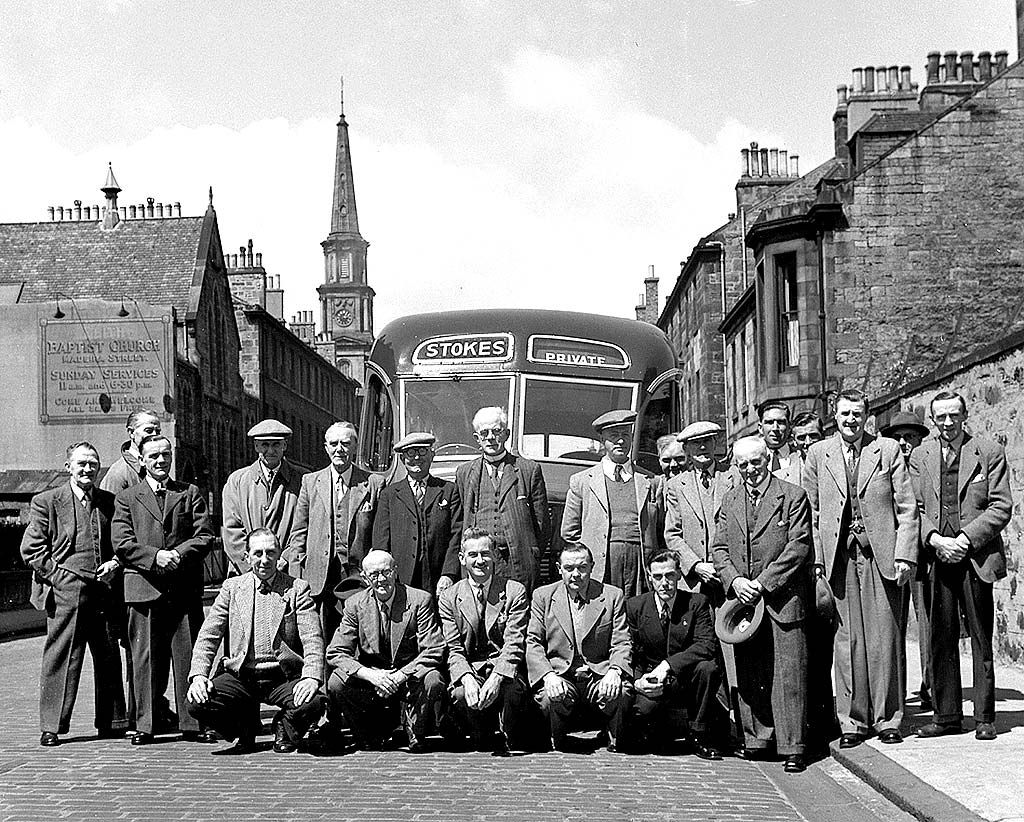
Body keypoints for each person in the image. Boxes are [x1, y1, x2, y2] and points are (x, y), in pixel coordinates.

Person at [803, 389, 918, 747]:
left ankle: (888, 718)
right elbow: (812, 512)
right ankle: (852, 721)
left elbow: (907, 508)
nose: (850, 420)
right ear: (834, 418)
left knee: (885, 638)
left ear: (866, 416)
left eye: (856, 414)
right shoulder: (819, 454)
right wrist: (818, 561)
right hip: (839, 559)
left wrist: (904, 554)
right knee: (846, 640)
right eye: (843, 414)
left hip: (880, 555)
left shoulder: (886, 450)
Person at [910, 391, 1012, 741]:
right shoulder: (920, 456)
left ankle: (984, 716)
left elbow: (1000, 506)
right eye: (941, 417)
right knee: (941, 637)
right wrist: (936, 540)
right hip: (937, 557)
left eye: (954, 415)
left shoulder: (989, 452)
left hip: (976, 556)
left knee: (982, 638)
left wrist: (965, 540)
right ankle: (947, 716)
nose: (948, 423)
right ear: (933, 421)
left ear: (964, 415)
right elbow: (914, 509)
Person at [712, 436, 812, 773]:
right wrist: (735, 581)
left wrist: (763, 582)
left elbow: (798, 547)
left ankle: (793, 746)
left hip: (781, 601)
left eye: (755, 462)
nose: (750, 470)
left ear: (767, 459)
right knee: (752, 672)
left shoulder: (793, 496)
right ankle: (757, 740)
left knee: (788, 676)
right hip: (744, 603)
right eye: (743, 465)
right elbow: (720, 548)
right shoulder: (730, 499)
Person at [21, 442, 128, 746]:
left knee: (108, 657)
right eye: (81, 463)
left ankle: (113, 721)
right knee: (62, 657)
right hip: (66, 592)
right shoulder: (48, 501)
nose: (87, 469)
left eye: (93, 464)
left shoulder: (109, 502)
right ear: (68, 466)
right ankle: (52, 725)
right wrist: (59, 577)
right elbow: (31, 549)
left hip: (104, 590)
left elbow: (121, 542)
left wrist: (115, 563)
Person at [112, 434, 216, 746]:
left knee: (189, 657)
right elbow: (122, 542)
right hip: (144, 589)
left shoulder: (189, 492)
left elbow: (205, 535)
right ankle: (145, 725)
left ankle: (194, 722)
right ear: (141, 460)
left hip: (182, 590)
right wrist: (155, 557)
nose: (161, 461)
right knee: (144, 660)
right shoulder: (127, 498)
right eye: (154, 456)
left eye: (165, 455)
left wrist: (177, 555)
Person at [186, 528, 325, 754]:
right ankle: (245, 727)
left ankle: (285, 725)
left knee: (315, 702)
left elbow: (313, 639)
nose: (264, 560)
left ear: (279, 555)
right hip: (242, 675)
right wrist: (199, 675)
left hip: (282, 675)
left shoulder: (297, 589)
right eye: (258, 553)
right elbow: (208, 635)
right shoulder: (232, 588)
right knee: (197, 702)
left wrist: (311, 677)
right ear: (247, 556)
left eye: (270, 552)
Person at [326, 550, 446, 752]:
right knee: (336, 681)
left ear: (395, 572)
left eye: (386, 572)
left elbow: (434, 649)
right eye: (373, 575)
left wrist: (399, 676)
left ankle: (415, 729)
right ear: (364, 578)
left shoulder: (419, 600)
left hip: (409, 674)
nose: (381, 579)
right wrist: (372, 676)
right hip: (374, 675)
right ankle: (368, 733)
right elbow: (336, 652)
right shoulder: (354, 604)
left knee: (433, 679)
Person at [526, 543, 633, 753]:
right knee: (548, 698)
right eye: (569, 568)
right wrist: (548, 676)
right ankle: (557, 737)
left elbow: (621, 640)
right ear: (559, 568)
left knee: (622, 691)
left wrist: (615, 671)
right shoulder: (543, 596)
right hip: (562, 674)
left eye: (582, 567)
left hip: (598, 674)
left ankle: (612, 737)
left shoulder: (612, 595)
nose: (576, 574)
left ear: (592, 566)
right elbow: (533, 642)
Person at [286, 421, 382, 638]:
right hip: (321, 575)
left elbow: (380, 534)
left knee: (359, 634)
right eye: (334, 443)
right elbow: (298, 532)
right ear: (326, 447)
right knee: (322, 636)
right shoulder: (310, 482)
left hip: (357, 575)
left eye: (346, 443)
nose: (340, 449)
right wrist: (296, 573)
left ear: (355, 447)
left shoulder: (374, 483)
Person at [438, 528, 529, 755]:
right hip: (471, 667)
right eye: (473, 555)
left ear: (495, 556)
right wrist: (467, 678)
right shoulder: (449, 597)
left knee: (511, 690)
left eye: (485, 554)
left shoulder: (514, 591)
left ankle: (509, 734)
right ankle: (479, 734)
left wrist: (497, 677)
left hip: (503, 669)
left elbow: (514, 643)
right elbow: (454, 647)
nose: (480, 561)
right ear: (462, 559)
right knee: (460, 695)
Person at [626, 550, 723, 758]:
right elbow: (631, 650)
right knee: (643, 721)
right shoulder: (636, 606)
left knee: (708, 668)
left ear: (679, 574)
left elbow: (706, 645)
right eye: (658, 577)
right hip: (652, 680)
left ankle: (699, 734)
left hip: (685, 678)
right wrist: (637, 682)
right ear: (649, 577)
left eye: (670, 575)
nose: (665, 583)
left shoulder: (696, 602)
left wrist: (668, 665)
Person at [561, 410, 662, 598]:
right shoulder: (582, 481)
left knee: (637, 614)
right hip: (602, 565)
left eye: (625, 435)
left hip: (641, 564)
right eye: (614, 436)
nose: (621, 441)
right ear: (602, 440)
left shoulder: (651, 480)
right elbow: (569, 531)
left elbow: (660, 528)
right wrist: (591, 555)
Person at [455, 406, 549, 593]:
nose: (490, 437)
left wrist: (529, 553)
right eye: (484, 433)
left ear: (506, 434)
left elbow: (542, 523)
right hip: (479, 562)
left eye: (496, 431)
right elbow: (460, 521)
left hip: (518, 561)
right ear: (477, 438)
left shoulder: (528, 470)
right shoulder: (464, 473)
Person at [880, 410, 933, 711]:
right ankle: (895, 694)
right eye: (897, 437)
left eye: (909, 437)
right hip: (895, 555)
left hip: (923, 557)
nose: (903, 443)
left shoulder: (924, 466)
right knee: (894, 625)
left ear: (920, 440)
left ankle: (930, 685)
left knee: (926, 622)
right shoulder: (886, 466)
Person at [373, 432, 463, 598]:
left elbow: (456, 536)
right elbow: (381, 540)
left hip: (438, 579)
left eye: (422, 452)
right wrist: (385, 576)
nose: (416, 458)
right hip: (401, 578)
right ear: (402, 459)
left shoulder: (449, 490)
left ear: (432, 455)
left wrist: (449, 574)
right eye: (410, 453)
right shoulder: (389, 494)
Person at [221, 419, 303, 575]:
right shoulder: (237, 481)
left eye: (276, 444)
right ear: (256, 446)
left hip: (288, 570)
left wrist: (284, 558)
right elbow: (232, 530)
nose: (270, 451)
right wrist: (252, 564)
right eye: (265, 444)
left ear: (285, 445)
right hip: (245, 572)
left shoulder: (302, 480)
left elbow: (304, 529)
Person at [664, 421, 734, 601]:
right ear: (686, 449)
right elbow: (672, 534)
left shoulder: (734, 476)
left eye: (707, 441)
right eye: (696, 443)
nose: (702, 446)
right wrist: (696, 565)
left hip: (731, 575)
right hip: (693, 581)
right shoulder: (676, 485)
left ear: (715, 444)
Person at [100, 409, 161, 494]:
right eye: (148, 431)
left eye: (158, 432)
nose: (154, 436)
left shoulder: (157, 465)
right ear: (131, 432)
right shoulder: (118, 473)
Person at [758, 401, 801, 484]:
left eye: (780, 422)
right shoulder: (752, 460)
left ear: (789, 427)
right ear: (760, 428)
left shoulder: (800, 458)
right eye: (769, 422)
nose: (775, 428)